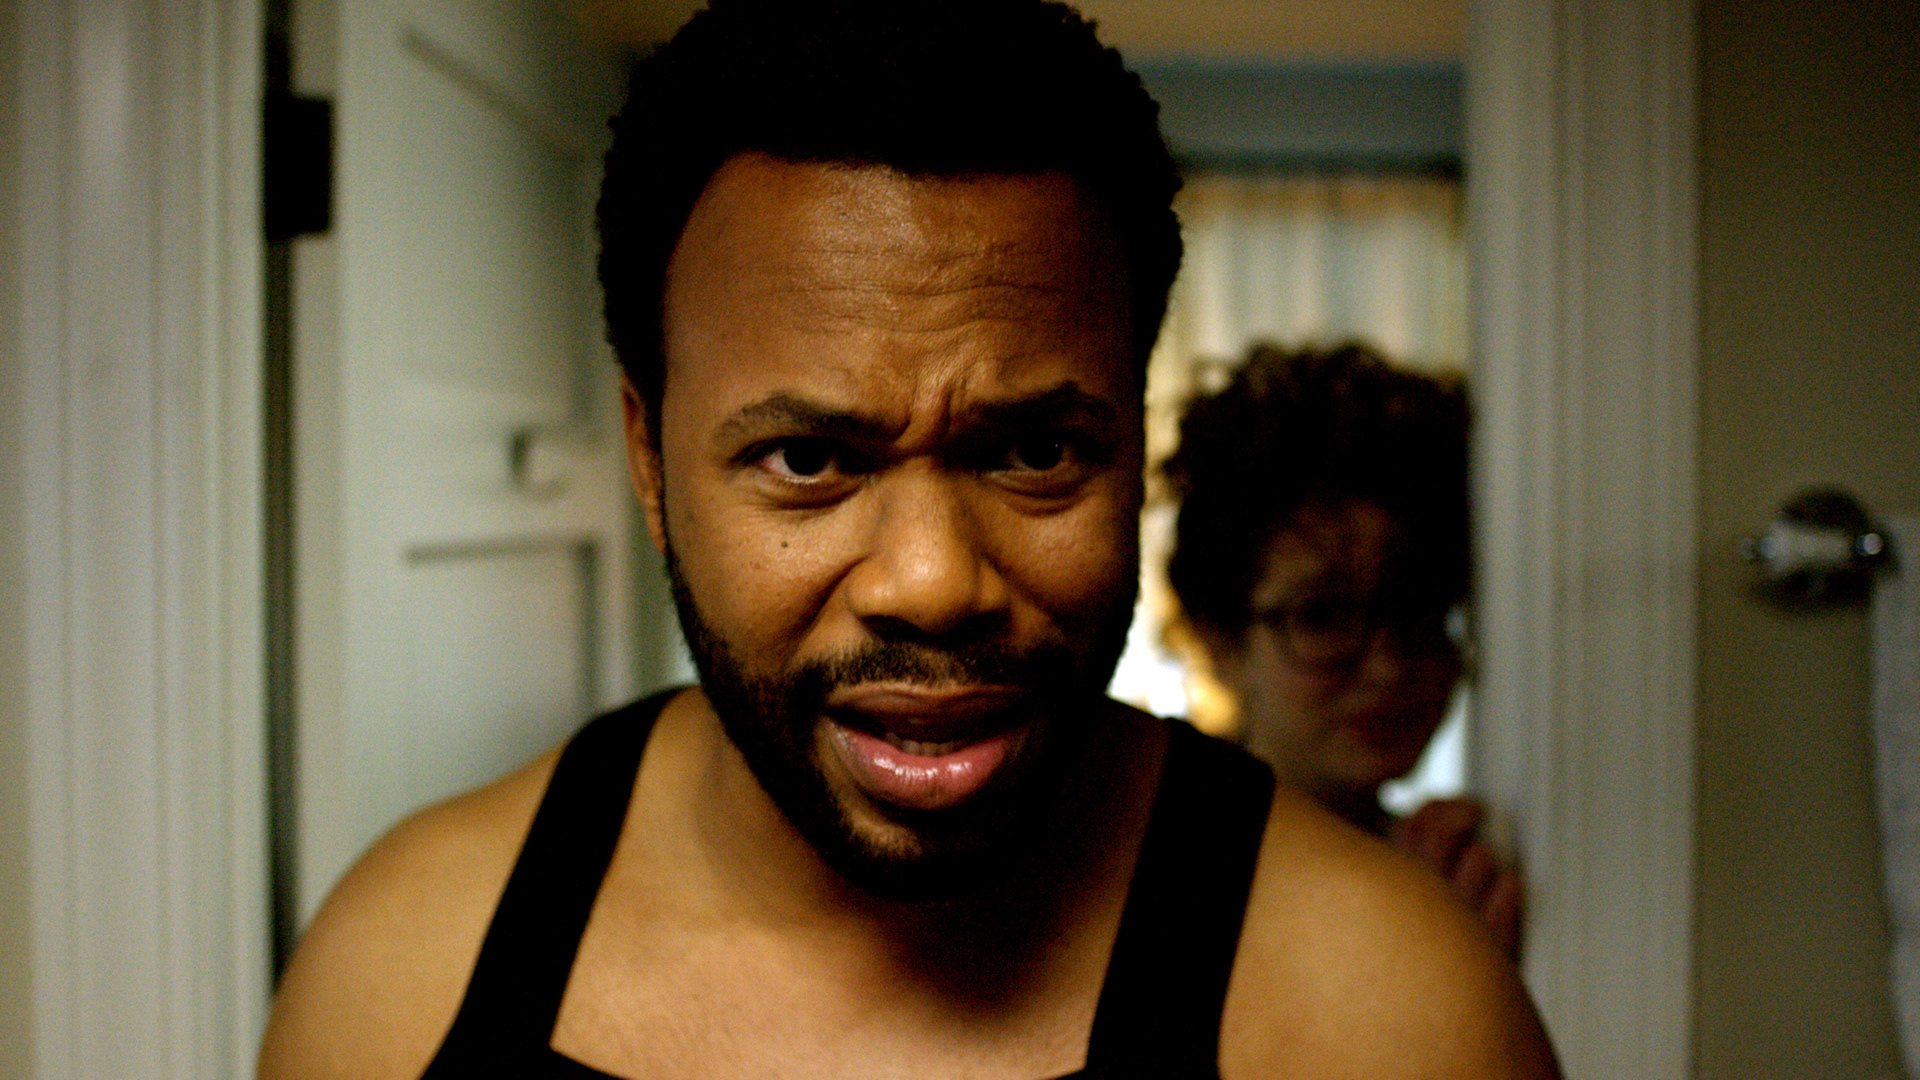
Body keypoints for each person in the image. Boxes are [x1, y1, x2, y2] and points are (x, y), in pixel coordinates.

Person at [258, 3, 1559, 1077]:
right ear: (649, 458)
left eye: (1035, 453)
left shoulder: (1393, 1014)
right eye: (808, 461)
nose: (933, 583)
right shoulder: (407, 971)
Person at [1164, 342, 1524, 957]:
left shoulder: (1452, 867)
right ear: (1221, 641)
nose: (1388, 667)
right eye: (1321, 616)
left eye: (1417, 609)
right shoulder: (1163, 867)